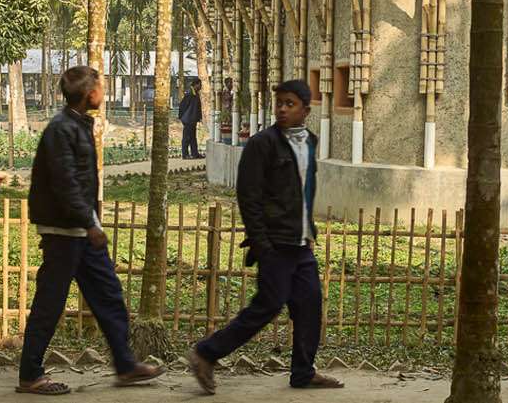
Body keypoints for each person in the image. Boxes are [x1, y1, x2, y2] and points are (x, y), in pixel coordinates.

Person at [187, 80, 339, 393]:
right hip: (275, 244)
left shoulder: (309, 141)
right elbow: (249, 197)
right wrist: (262, 244)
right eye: (279, 103)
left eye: (290, 104)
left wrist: (308, 230)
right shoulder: (262, 144)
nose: (282, 109)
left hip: (300, 243)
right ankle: (206, 353)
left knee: (310, 305)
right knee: (267, 306)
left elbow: (305, 191)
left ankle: (303, 372)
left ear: (306, 111)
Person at [19, 66, 160, 395]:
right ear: (88, 93)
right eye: (101, 86)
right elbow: (66, 184)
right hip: (64, 232)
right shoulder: (61, 130)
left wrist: (89, 224)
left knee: (109, 296)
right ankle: (30, 374)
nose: (104, 91)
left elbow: (77, 183)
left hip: (81, 230)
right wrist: (89, 222)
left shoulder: (78, 125)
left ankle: (126, 366)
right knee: (50, 304)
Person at [179, 87, 203, 159]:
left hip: (193, 119)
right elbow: (183, 106)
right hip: (188, 119)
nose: (200, 86)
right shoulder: (189, 94)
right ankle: (185, 154)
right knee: (186, 137)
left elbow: (197, 107)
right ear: (196, 85)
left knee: (193, 137)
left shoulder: (195, 94)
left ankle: (195, 153)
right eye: (199, 85)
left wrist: (198, 117)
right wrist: (183, 117)